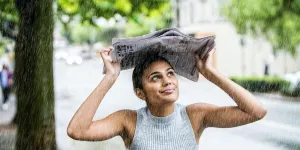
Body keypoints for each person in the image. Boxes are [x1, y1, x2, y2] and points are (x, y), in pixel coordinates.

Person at [67, 48, 267, 150]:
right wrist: (110, 77)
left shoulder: (194, 115)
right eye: (156, 77)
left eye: (170, 73)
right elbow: (77, 130)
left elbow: (256, 111)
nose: (167, 81)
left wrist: (210, 73)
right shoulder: (127, 120)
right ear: (140, 93)